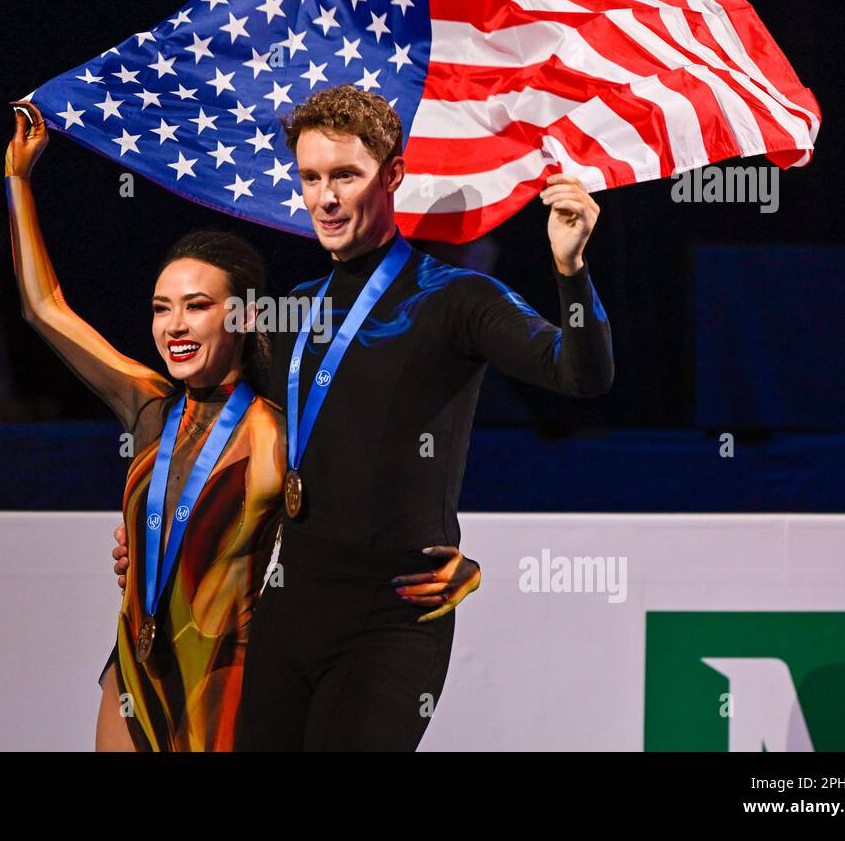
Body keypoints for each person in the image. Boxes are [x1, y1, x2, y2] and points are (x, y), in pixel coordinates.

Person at [4, 101, 480, 751]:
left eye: (197, 307)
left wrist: (459, 563)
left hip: (229, 678)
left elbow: (372, 512)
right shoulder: (148, 407)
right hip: (133, 669)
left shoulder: (282, 431)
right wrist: (19, 183)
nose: (175, 325)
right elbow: (43, 308)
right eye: (161, 308)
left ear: (246, 317)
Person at [222, 84, 614, 751]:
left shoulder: (456, 299)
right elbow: (205, 420)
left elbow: (582, 374)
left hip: (396, 616)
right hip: (288, 607)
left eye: (346, 174)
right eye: (311, 177)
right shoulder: (291, 313)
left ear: (393, 176)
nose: (326, 197)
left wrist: (570, 269)